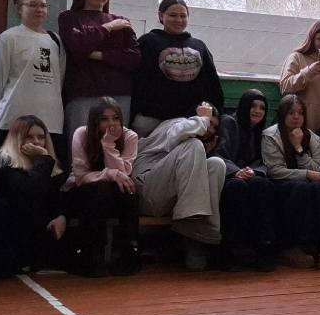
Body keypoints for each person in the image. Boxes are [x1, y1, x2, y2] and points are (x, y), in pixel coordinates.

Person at [133, 101, 226, 270]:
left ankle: (203, 235)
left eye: (214, 126)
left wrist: (207, 150)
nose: (210, 129)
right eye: (208, 121)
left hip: (173, 201)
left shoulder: (195, 145)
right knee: (193, 145)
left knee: (216, 164)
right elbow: (180, 133)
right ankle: (194, 230)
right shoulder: (174, 124)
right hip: (147, 191)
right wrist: (203, 119)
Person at [0, 114, 66, 278]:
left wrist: (60, 215)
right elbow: (30, 189)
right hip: (8, 234)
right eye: (29, 137)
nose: (36, 142)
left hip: (34, 230)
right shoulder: (3, 162)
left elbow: (53, 196)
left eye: (41, 137)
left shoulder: (49, 164)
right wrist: (43, 159)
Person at [259, 94, 320, 270]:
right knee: (301, 187)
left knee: (319, 188)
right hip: (280, 183)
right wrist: (306, 173)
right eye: (291, 113)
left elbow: (317, 169)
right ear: (283, 114)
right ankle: (291, 247)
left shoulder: (314, 139)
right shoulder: (270, 136)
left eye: (300, 113)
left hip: (306, 183)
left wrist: (299, 148)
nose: (296, 117)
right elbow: (274, 170)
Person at [64, 97, 141, 277]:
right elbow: (81, 176)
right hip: (82, 191)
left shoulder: (130, 136)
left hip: (114, 194)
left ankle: (128, 253)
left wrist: (108, 144)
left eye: (116, 118)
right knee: (101, 190)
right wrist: (110, 174)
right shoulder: (81, 134)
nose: (111, 124)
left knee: (129, 191)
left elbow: (124, 172)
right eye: (104, 119)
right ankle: (90, 254)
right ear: (95, 121)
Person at [59, 0, 141, 132]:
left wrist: (98, 55)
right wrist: (107, 28)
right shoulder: (69, 18)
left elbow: (134, 59)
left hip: (119, 93)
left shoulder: (122, 22)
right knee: (81, 143)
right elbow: (77, 48)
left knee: (116, 144)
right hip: (82, 93)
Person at [0, 0, 65, 155]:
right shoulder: (8, 38)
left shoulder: (55, 40)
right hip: (14, 119)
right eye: (33, 5)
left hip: (51, 121)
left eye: (43, 5)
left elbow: (60, 77)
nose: (39, 9)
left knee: (47, 167)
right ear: (19, 9)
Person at [131, 0, 224, 136]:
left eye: (183, 16)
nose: (179, 20)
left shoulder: (199, 46)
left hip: (189, 119)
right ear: (161, 16)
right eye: (173, 15)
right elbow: (138, 80)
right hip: (153, 117)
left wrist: (214, 112)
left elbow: (212, 83)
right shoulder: (147, 42)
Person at [213, 90, 279, 271]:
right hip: (227, 176)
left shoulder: (260, 133)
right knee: (237, 187)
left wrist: (253, 171)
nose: (258, 111)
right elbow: (218, 154)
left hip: (249, 177)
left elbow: (263, 161)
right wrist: (236, 171)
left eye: (262, 108)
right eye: (253, 106)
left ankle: (262, 249)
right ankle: (231, 250)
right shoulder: (229, 123)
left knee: (262, 185)